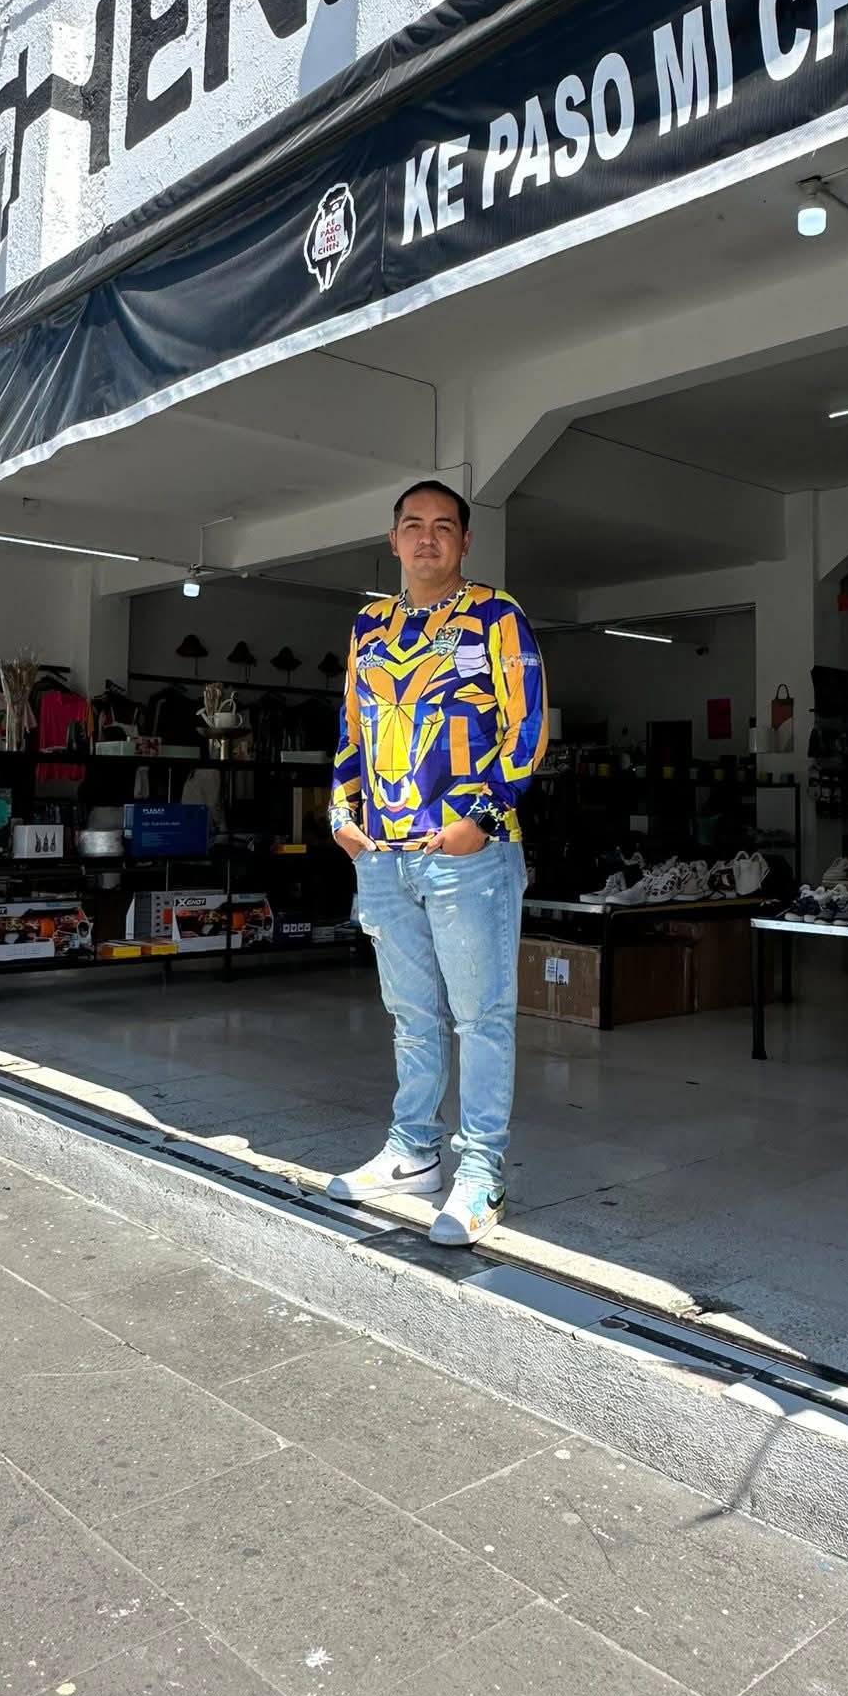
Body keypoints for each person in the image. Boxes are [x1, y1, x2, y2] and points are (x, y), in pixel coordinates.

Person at [327, 480, 547, 1245]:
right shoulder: (369, 624)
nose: (427, 539)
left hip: (468, 855)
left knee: (480, 1017)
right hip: (384, 856)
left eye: (443, 527)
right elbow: (352, 729)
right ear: (392, 541)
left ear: (463, 543)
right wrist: (338, 811)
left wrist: (480, 821)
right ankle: (413, 1152)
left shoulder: (496, 615)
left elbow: (527, 728)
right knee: (412, 1016)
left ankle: (481, 1174)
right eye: (412, 526)